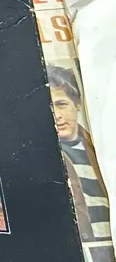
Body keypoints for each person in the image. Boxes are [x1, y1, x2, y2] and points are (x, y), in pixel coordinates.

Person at [51, 65, 109, 241]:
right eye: (49, 107)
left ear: (77, 104)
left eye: (61, 104)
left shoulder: (101, 146)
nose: (57, 115)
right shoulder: (48, 158)